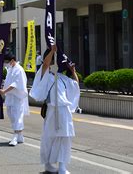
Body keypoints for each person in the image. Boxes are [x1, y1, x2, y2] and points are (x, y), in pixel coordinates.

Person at [29, 45, 80, 174]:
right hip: (52, 110)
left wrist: (73, 71)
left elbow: (75, 85)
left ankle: (62, 166)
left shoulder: (62, 78)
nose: (51, 62)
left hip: (65, 110)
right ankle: (48, 164)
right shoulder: (44, 74)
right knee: (49, 138)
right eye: (50, 59)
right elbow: (46, 64)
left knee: (65, 138)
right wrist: (52, 51)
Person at [0, 53, 30, 146]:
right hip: (10, 96)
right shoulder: (10, 69)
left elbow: (16, 84)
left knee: (17, 116)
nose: (6, 64)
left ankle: (15, 136)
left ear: (12, 60)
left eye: (7, 62)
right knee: (11, 115)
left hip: (17, 97)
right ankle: (20, 136)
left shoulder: (19, 70)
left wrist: (4, 91)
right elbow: (8, 82)